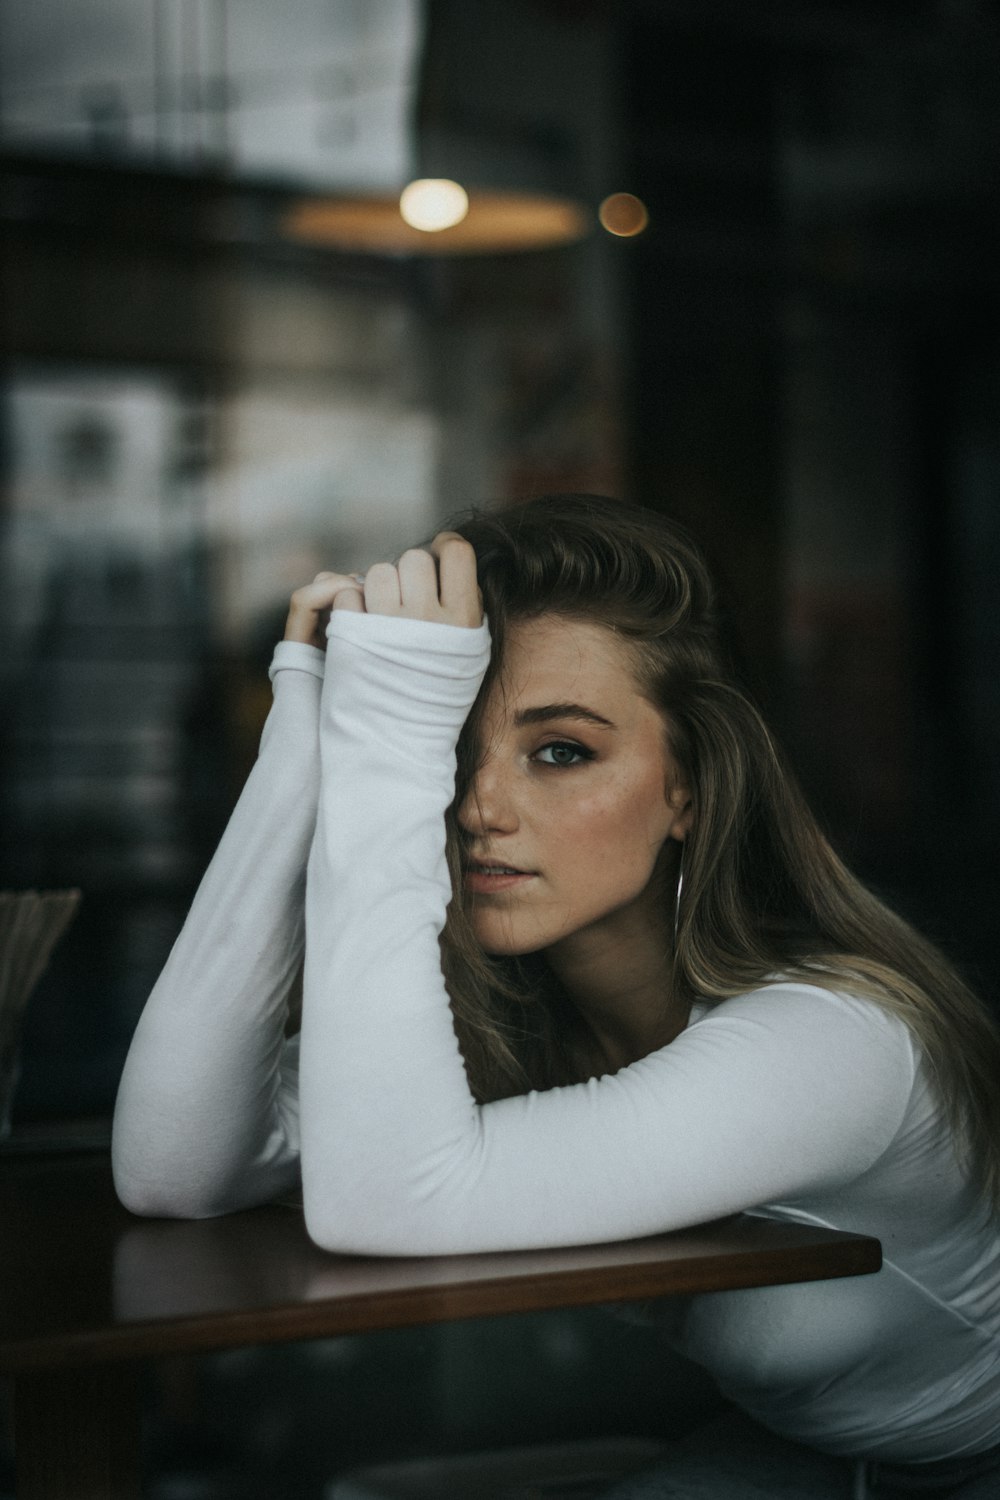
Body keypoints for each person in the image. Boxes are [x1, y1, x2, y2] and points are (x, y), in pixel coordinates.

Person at [113, 494, 1000, 1498]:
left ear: (689, 791)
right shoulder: (517, 1027)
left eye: (560, 751)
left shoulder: (833, 1044)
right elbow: (173, 1165)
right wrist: (303, 742)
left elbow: (386, 1200)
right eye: (451, 753)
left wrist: (393, 746)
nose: (479, 808)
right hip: (818, 1463)